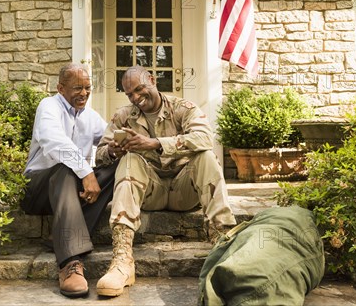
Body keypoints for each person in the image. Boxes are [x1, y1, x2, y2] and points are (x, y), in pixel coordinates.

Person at [93, 66, 237, 297]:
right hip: (150, 192)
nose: (136, 98)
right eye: (130, 94)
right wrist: (111, 151)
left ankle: (223, 241)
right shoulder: (123, 116)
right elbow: (98, 155)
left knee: (206, 156)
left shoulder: (183, 108)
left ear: (152, 80)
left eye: (140, 89)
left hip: (185, 190)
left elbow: (205, 138)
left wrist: (156, 143)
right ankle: (122, 260)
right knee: (129, 159)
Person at [20, 63, 117, 298]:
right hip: (37, 189)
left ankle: (60, 236)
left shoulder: (90, 116)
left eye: (87, 88)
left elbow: (107, 139)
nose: (83, 93)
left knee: (115, 167)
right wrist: (86, 173)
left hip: (69, 193)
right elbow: (53, 142)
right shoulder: (49, 106)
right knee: (65, 167)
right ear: (60, 88)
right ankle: (69, 262)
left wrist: (117, 146)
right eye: (77, 88)